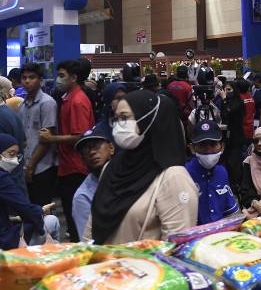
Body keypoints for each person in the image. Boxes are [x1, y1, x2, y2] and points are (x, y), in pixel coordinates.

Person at [86, 90, 197, 243]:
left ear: (150, 119)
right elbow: (91, 230)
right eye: (116, 119)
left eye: (125, 118)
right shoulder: (111, 168)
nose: (119, 125)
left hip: (147, 266)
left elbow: (176, 248)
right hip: (102, 265)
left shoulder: (173, 177)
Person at [0, 134, 58, 264]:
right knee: (52, 221)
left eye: (17, 155)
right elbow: (26, 208)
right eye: (11, 154)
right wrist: (40, 210)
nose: (15, 160)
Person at [44, 59, 94, 242]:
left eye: (62, 76)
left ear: (74, 78)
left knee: (76, 220)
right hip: (67, 165)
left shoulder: (77, 101)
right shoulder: (68, 99)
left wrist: (52, 139)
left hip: (76, 167)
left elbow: (80, 136)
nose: (58, 80)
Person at [18, 63, 59, 208]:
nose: (27, 81)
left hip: (42, 167)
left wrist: (30, 166)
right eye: (24, 78)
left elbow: (46, 140)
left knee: (43, 210)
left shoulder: (47, 103)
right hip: (27, 166)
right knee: (30, 210)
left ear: (40, 80)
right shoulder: (22, 105)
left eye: (32, 77)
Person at [184, 118, 239, 224]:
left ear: (222, 147)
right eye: (202, 145)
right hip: (193, 236)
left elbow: (230, 210)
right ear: (192, 148)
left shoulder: (222, 172)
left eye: (213, 144)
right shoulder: (184, 174)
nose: (208, 149)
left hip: (219, 234)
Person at [71, 122, 115, 240]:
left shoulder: (129, 175)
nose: (91, 152)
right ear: (82, 158)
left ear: (111, 148)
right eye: (86, 149)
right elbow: (89, 242)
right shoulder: (83, 196)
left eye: (96, 145)